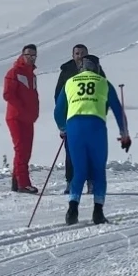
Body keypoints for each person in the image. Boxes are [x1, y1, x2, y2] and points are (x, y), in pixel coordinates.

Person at [54, 55, 131, 225]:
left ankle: (72, 210)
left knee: (79, 170)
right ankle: (98, 211)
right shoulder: (104, 83)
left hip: (74, 126)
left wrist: (63, 129)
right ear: (96, 67)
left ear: (81, 67)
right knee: (98, 170)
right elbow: (118, 111)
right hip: (96, 126)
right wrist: (124, 134)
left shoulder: (70, 82)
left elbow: (58, 111)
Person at [2, 44, 41, 194]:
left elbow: (34, 96)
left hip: (28, 118)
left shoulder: (32, 75)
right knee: (21, 150)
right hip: (16, 117)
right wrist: (23, 109)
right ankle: (23, 183)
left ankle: (16, 181)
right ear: (22, 55)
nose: (30, 58)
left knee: (26, 150)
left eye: (33, 56)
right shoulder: (14, 72)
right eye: (28, 55)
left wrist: (34, 112)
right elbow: (8, 94)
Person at [54, 44, 89, 190]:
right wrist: (62, 122)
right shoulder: (67, 71)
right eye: (77, 53)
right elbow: (58, 95)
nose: (79, 56)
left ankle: (90, 182)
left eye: (82, 53)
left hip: (89, 116)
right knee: (71, 152)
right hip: (71, 116)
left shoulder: (95, 69)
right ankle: (71, 182)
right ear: (73, 55)